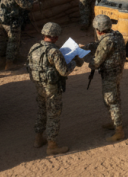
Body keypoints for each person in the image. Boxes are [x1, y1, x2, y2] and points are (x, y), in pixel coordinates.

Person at [27, 22, 77, 155]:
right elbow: (64, 72)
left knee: (42, 112)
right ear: (55, 37)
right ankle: (52, 146)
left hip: (39, 87)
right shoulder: (54, 52)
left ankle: (38, 139)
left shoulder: (34, 48)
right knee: (53, 115)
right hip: (52, 89)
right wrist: (73, 62)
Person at [81, 14, 127, 143]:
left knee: (111, 101)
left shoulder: (107, 41)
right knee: (115, 97)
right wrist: (89, 46)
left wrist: (84, 56)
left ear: (98, 30)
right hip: (117, 73)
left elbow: (95, 63)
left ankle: (119, 131)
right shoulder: (116, 35)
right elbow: (101, 44)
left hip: (110, 75)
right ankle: (115, 122)